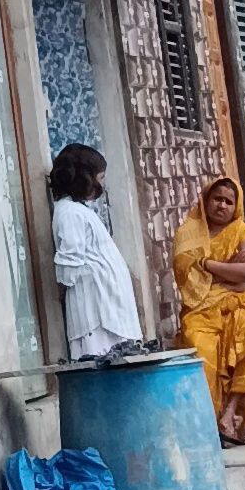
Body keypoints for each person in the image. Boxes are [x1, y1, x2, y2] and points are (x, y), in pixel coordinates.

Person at [174, 177, 245, 442]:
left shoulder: (242, 232)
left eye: (229, 201)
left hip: (240, 303)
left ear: (236, 206)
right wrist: (230, 271)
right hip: (199, 308)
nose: (222, 205)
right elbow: (188, 279)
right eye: (217, 199)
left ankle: (230, 415)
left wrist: (207, 264)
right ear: (206, 200)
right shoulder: (188, 234)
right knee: (198, 344)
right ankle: (207, 423)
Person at [50, 144, 144, 360]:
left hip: (107, 307)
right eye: (100, 178)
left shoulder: (79, 210)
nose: (102, 185)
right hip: (95, 310)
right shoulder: (69, 213)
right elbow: (68, 267)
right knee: (101, 362)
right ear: (85, 178)